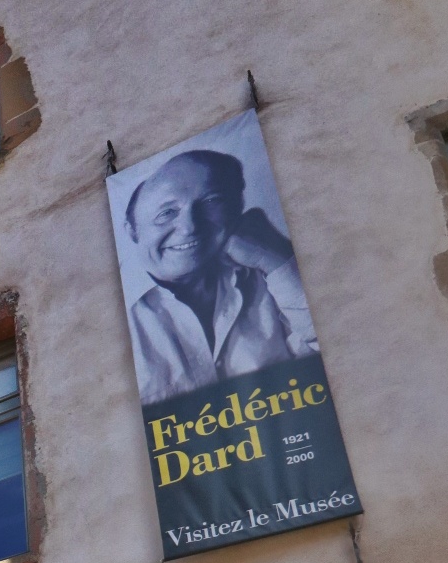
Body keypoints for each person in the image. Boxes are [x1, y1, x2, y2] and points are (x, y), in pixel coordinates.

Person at [123, 148, 317, 403]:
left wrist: (275, 260)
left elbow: (338, 363)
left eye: (210, 201)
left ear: (236, 210)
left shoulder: (271, 279)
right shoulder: (116, 323)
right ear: (133, 231)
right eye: (166, 213)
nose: (190, 227)